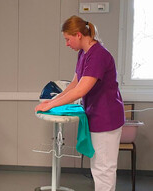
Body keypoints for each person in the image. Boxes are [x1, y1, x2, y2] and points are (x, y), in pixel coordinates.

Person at [35, 15, 125, 191]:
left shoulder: (98, 55)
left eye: (68, 39)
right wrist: (53, 100)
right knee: (98, 167)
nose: (67, 44)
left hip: (107, 118)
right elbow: (74, 84)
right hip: (97, 115)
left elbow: (81, 90)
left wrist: (50, 105)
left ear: (78, 35)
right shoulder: (83, 54)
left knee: (104, 170)